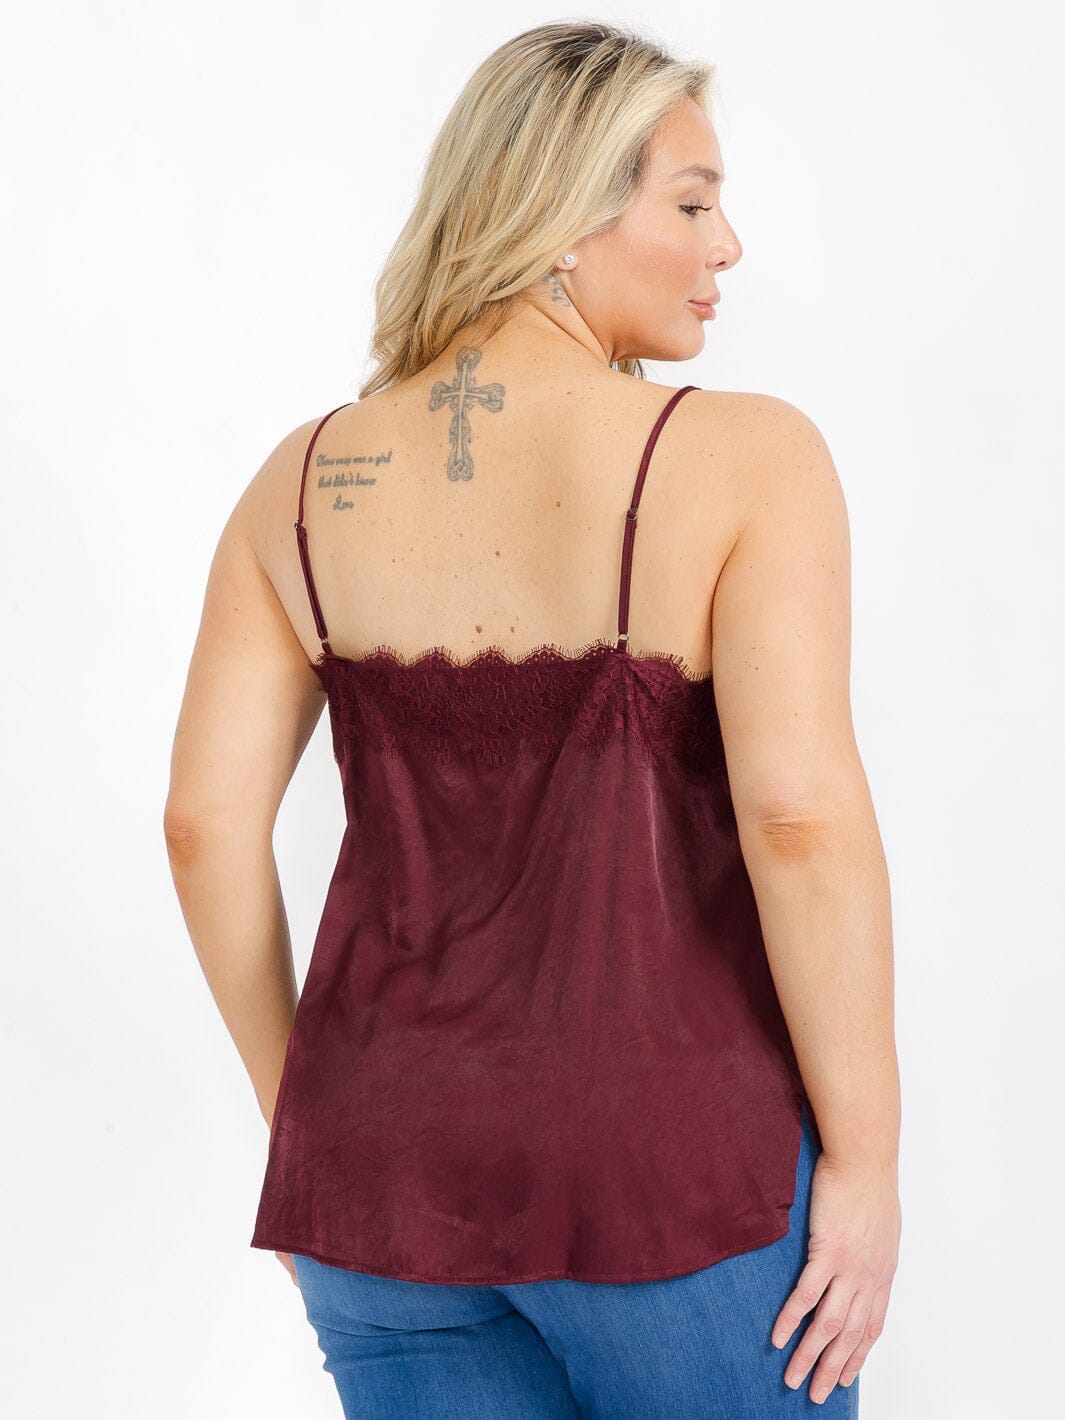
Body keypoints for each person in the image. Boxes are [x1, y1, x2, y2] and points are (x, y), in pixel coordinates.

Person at [164, 20, 901, 1419]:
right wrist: (865, 1164)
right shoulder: (746, 458)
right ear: (560, 216)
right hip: (664, 1181)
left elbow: (203, 825)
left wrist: (305, 1121)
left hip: (377, 1180)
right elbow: (796, 816)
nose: (727, 245)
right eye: (691, 202)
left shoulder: (299, 481)